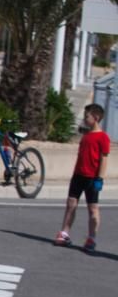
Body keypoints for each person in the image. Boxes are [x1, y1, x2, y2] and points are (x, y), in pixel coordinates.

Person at [55, 103, 109, 252]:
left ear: (96, 117)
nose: (85, 119)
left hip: (92, 178)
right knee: (71, 204)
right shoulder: (86, 136)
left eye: (87, 116)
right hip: (78, 176)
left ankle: (92, 238)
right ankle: (64, 233)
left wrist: (100, 178)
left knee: (93, 210)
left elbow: (104, 159)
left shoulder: (103, 137)